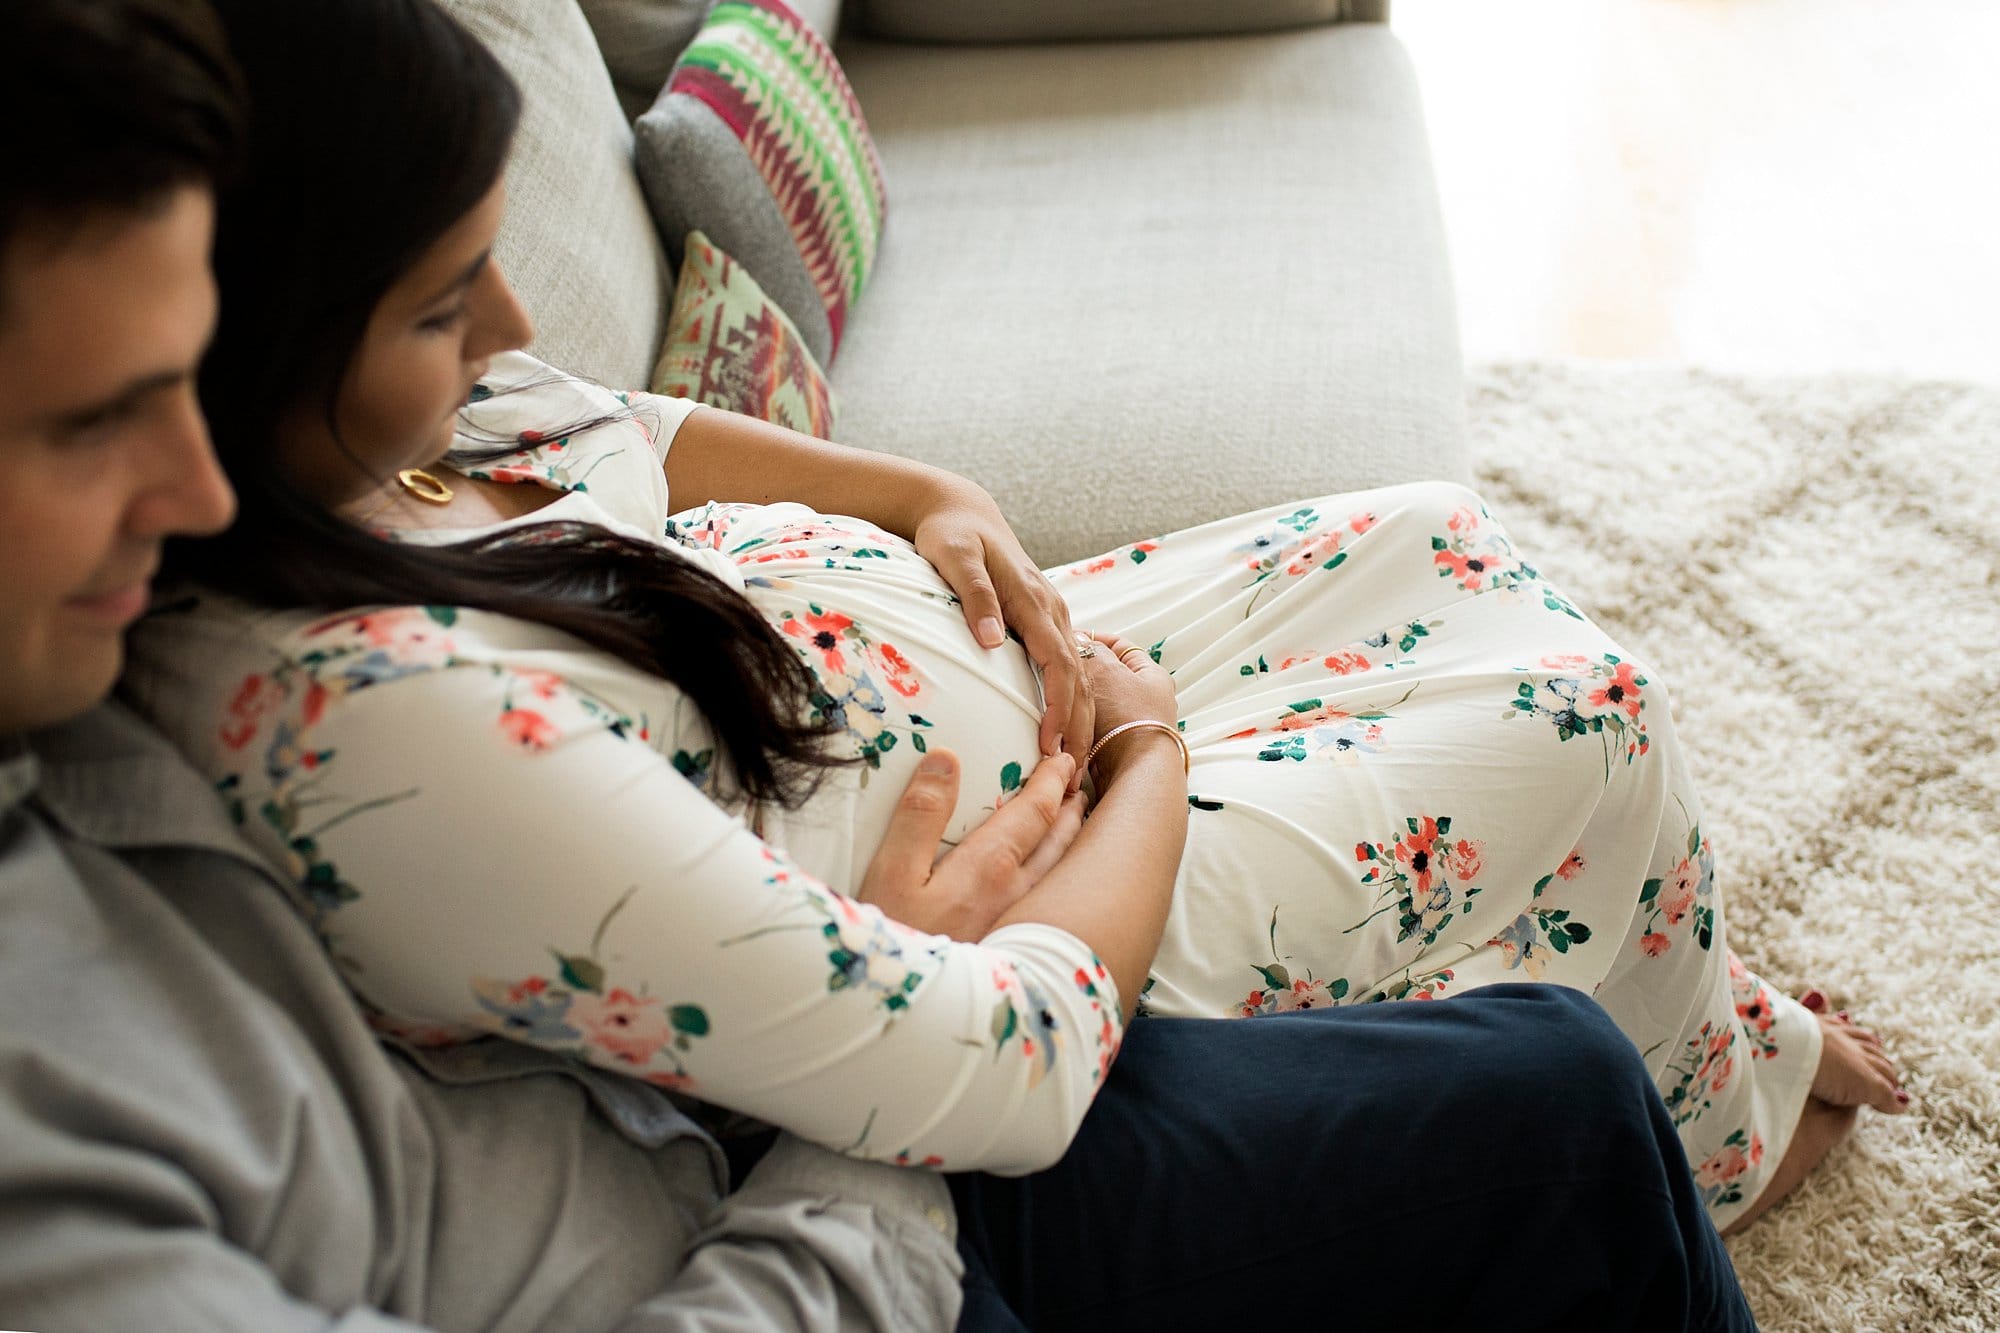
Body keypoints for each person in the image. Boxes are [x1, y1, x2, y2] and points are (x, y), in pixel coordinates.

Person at [123, 0, 1903, 1252]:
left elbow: (627, 422)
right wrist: (1142, 752)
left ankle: (1661, 971)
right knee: (1585, 713)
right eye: (445, 301)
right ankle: (1714, 1116)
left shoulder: (402, 422)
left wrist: (919, 496)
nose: (509, 317)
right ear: (264, 337)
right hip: (1054, 879)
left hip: (990, 680)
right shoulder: (362, 721)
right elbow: (995, 1064)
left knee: (1441, 545)